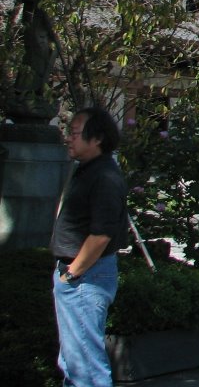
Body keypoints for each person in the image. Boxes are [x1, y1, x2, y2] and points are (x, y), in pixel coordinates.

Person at [50, 106, 128, 387]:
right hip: (78, 275)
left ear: (96, 139)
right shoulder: (87, 169)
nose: (69, 138)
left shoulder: (105, 176)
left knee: (86, 366)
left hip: (86, 278)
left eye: (74, 133)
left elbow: (101, 234)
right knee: (72, 360)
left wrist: (72, 274)